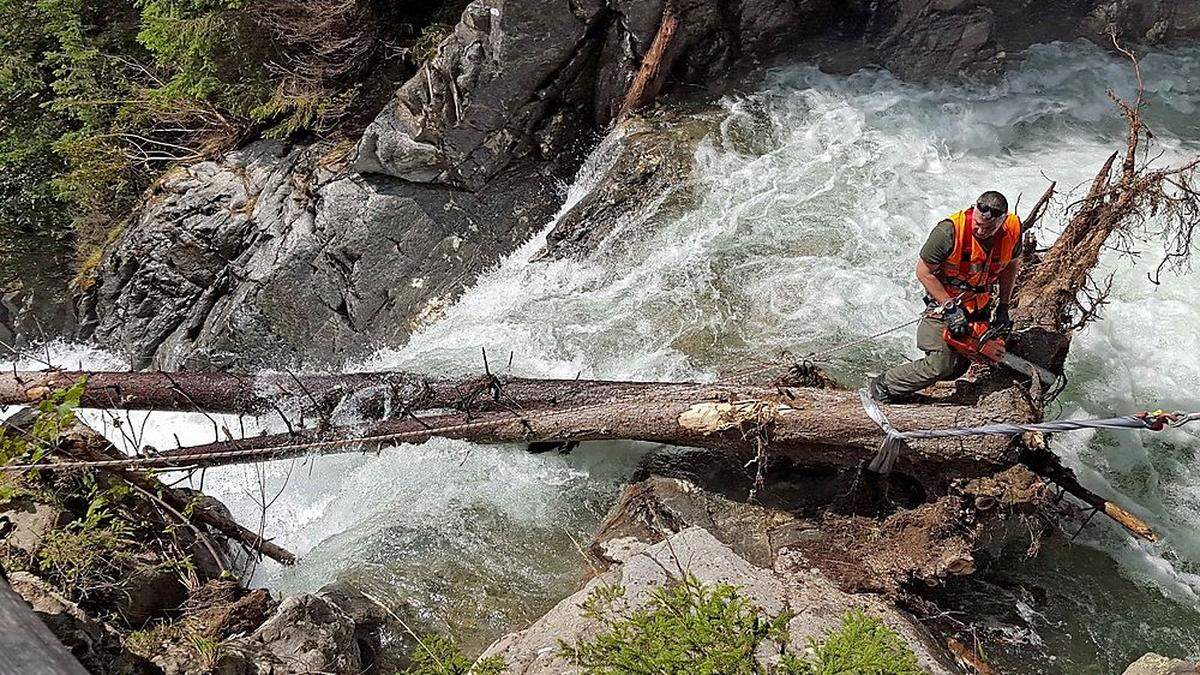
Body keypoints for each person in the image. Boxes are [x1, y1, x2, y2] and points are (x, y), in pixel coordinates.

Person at [869, 191, 1022, 403]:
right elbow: (923, 272)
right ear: (973, 210)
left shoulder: (1012, 230)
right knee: (940, 365)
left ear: (1002, 221)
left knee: (959, 366)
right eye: (978, 224)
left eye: (989, 228)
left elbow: (1010, 266)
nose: (981, 230)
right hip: (942, 304)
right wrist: (950, 307)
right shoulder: (948, 232)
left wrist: (1004, 307)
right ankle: (884, 385)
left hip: (978, 305)